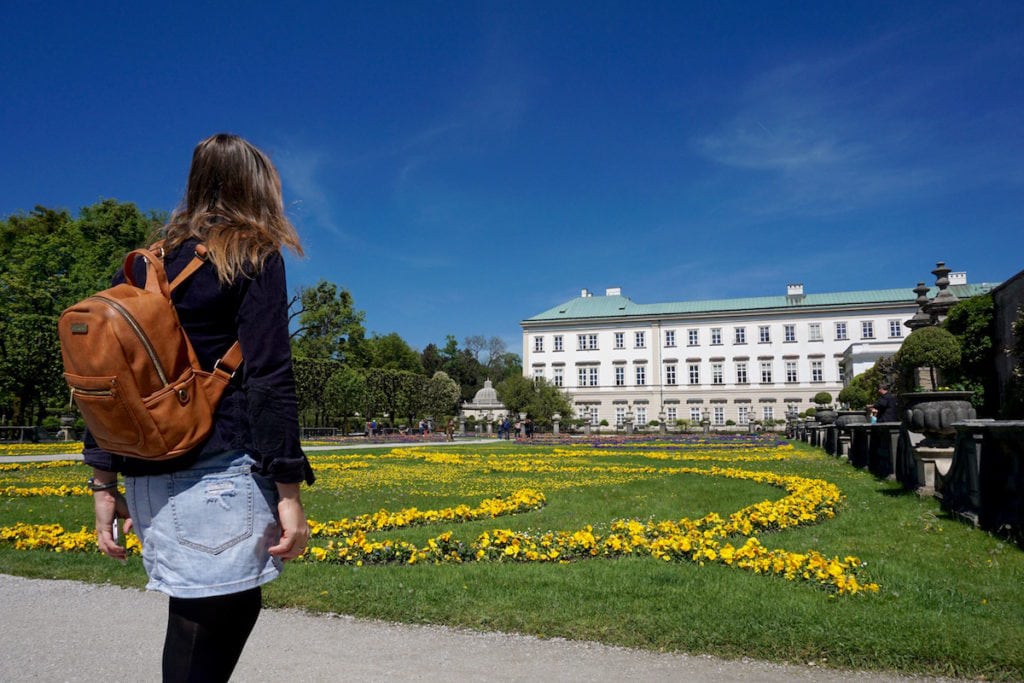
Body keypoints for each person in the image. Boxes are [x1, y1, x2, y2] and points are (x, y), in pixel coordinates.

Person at [83, 133, 315, 682]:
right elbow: (269, 375)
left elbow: (104, 380)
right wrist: (289, 492)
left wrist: (102, 480)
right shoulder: (252, 253)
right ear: (257, 186)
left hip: (148, 470)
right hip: (217, 470)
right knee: (205, 636)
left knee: (203, 625)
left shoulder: (145, 265)